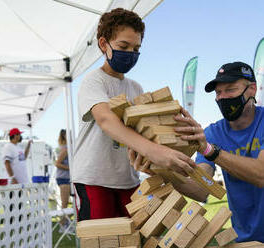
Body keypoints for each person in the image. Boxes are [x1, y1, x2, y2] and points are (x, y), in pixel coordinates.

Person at [72, 8, 196, 221]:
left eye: (136, 48)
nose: (130, 53)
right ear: (104, 44)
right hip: (94, 179)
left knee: (134, 238)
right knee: (101, 239)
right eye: (123, 46)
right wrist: (154, 150)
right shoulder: (94, 81)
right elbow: (105, 119)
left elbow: (146, 130)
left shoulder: (135, 88)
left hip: (128, 180)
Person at [162, 61, 263, 243]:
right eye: (218, 92)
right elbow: (202, 189)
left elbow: (261, 175)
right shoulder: (212, 133)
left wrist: (211, 151)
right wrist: (162, 169)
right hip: (245, 240)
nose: (222, 98)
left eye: (230, 89)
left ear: (252, 89)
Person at [54, 129, 71, 232]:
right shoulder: (65, 149)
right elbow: (57, 163)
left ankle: (66, 224)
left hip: (66, 178)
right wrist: (71, 168)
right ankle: (62, 226)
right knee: (65, 203)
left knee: (67, 203)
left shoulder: (67, 148)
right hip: (63, 178)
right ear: (65, 136)